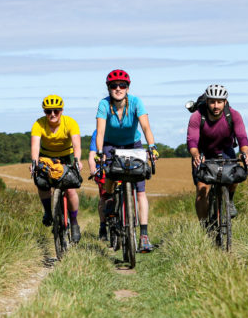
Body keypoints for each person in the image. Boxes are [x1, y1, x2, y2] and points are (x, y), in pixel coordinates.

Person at [94, 69, 159, 252]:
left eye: (122, 85)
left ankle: (144, 235)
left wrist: (152, 146)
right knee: (110, 175)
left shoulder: (136, 102)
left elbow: (145, 127)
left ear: (127, 87)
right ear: (108, 88)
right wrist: (99, 152)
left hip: (134, 144)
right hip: (110, 145)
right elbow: (100, 131)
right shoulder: (104, 104)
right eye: (114, 86)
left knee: (140, 190)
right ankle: (109, 200)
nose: (118, 89)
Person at [186, 84, 248, 223]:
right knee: (202, 189)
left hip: (226, 151)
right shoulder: (197, 116)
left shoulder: (234, 115)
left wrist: (245, 153)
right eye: (212, 101)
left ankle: (230, 200)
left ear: (225, 102)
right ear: (207, 102)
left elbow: (242, 137)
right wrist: (196, 155)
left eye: (219, 102)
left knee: (235, 174)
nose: (215, 106)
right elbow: (192, 140)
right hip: (203, 154)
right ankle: (204, 228)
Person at [30, 94, 83, 242]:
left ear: (61, 111)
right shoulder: (39, 124)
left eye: (56, 111)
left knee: (70, 188)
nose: (52, 114)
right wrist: (34, 163)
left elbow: (77, 144)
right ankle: (48, 212)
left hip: (67, 156)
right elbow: (35, 145)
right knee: (42, 183)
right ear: (44, 112)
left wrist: (77, 161)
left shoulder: (70, 123)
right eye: (48, 111)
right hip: (47, 157)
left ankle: (73, 222)